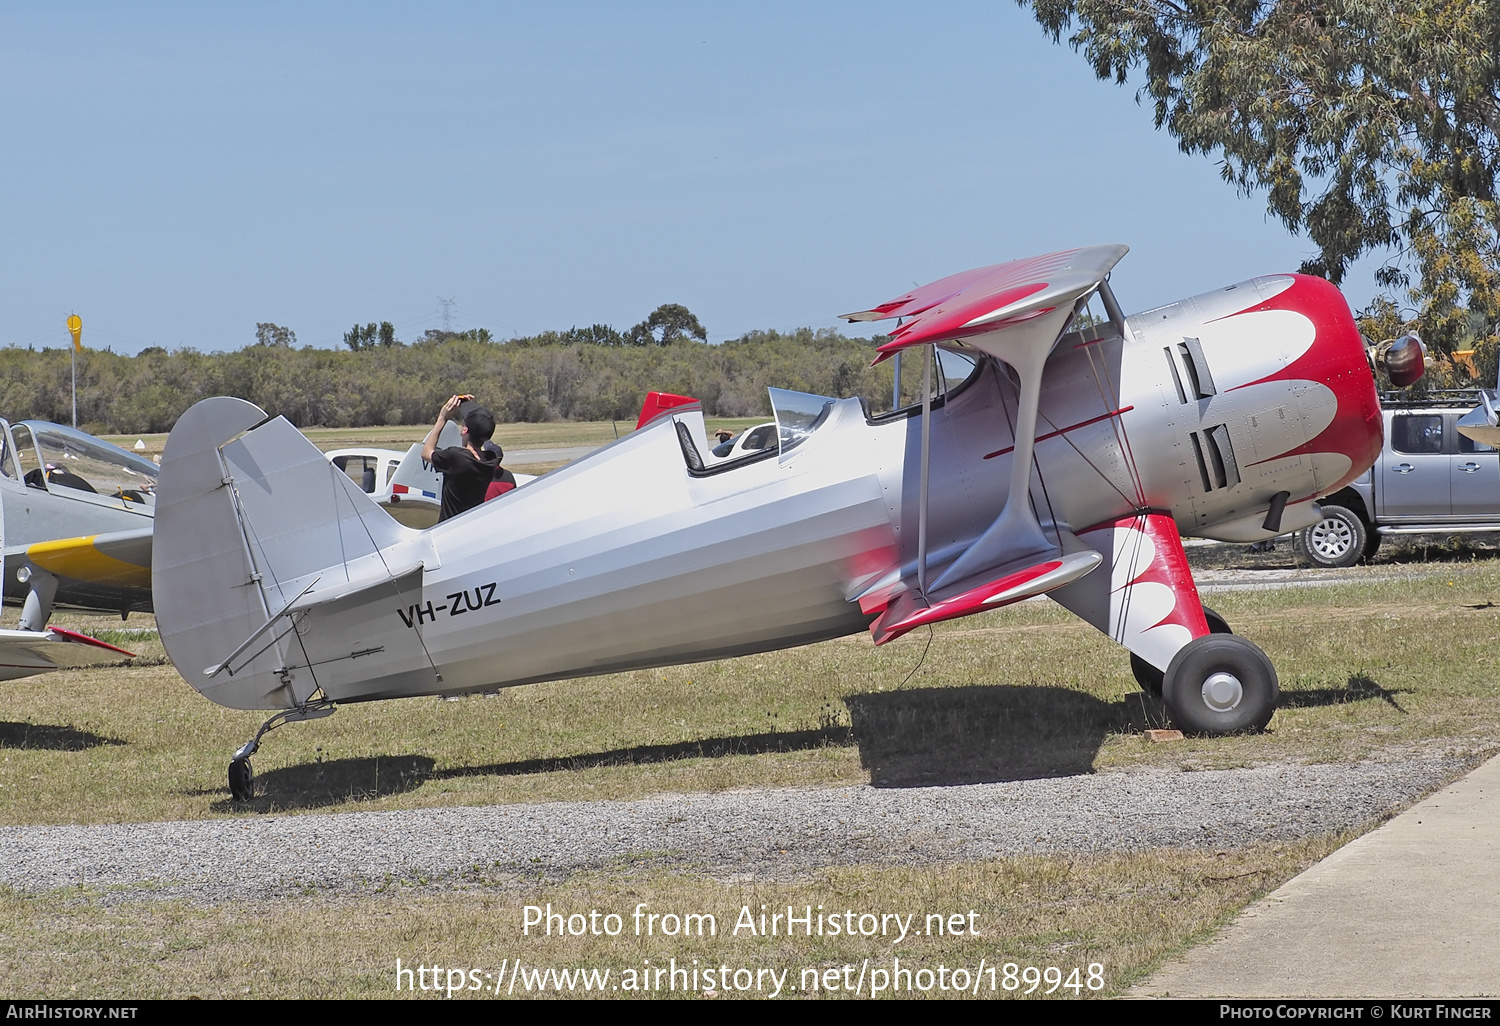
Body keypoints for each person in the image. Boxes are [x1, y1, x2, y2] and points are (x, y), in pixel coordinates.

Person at [421, 394, 500, 521]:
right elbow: (483, 425)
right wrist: (466, 404)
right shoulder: (491, 460)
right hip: (469, 527)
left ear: (464, 431)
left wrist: (442, 418)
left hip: (448, 528)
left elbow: (426, 452)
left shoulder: (456, 457)